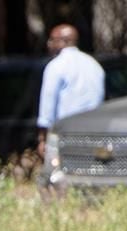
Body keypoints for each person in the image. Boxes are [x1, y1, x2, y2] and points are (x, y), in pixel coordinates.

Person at [36, 24, 104, 159]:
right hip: (94, 132)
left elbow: (47, 107)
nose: (49, 44)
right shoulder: (94, 65)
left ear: (64, 42)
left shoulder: (56, 66)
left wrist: (42, 140)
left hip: (66, 133)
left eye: (52, 40)